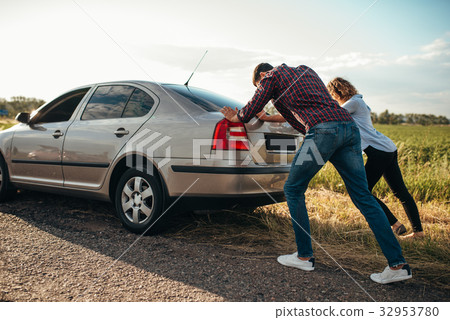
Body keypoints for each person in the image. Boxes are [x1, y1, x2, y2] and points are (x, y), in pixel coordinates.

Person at [221, 63, 412, 284]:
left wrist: (238, 117)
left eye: (258, 84)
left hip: (323, 132)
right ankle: (397, 264)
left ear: (262, 75)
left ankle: (304, 256)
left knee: (293, 188)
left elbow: (252, 107)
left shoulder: (270, 76)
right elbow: (302, 110)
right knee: (363, 196)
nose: (262, 87)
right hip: (348, 128)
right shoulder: (306, 70)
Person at [326, 77, 424, 239]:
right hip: (387, 149)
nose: (333, 98)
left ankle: (396, 225)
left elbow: (335, 115)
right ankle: (417, 232)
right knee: (400, 192)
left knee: (361, 190)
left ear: (337, 91)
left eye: (332, 94)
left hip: (379, 151)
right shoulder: (358, 102)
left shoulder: (353, 103)